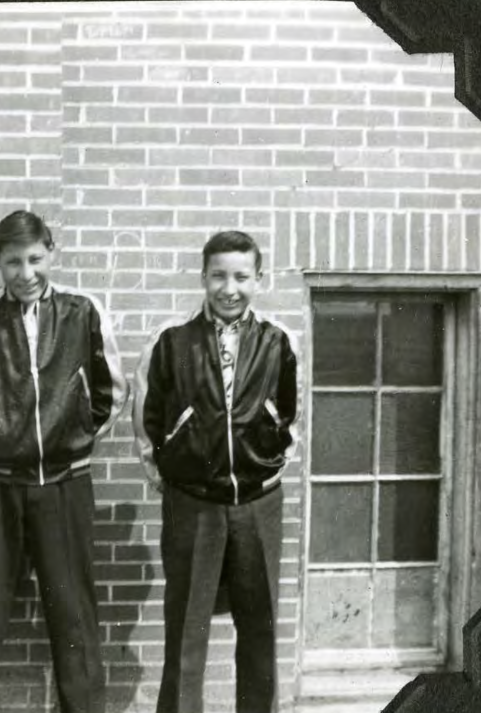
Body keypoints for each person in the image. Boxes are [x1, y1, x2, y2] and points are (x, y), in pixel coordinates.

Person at [0, 209, 128, 713]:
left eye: (35, 259)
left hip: (65, 484)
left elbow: (112, 392)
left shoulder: (83, 312)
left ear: (52, 253)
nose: (26, 274)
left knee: (74, 619)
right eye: (13, 262)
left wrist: (72, 438)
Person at [132, 230, 299, 713]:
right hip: (192, 504)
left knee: (260, 628)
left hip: (258, 502)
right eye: (219, 276)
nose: (230, 288)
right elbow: (148, 423)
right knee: (187, 629)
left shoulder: (278, 342)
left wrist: (264, 473)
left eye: (241, 276)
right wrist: (176, 482)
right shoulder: (171, 342)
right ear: (203, 277)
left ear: (258, 279)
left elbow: (293, 416)